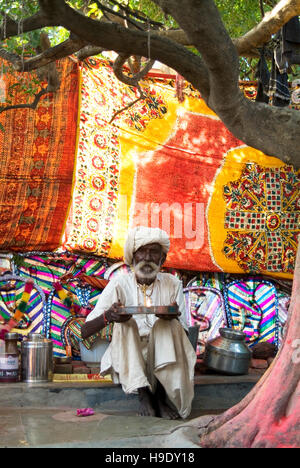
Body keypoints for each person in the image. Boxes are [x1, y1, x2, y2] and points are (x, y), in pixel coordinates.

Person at [81, 226, 196, 419]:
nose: (148, 258)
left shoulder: (172, 284)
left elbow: (183, 335)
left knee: (169, 325)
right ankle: (144, 395)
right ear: (132, 257)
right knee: (126, 323)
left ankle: (160, 398)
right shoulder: (118, 284)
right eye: (142, 251)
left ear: (162, 259)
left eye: (154, 252)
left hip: (163, 356)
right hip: (129, 356)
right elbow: (85, 331)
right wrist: (108, 316)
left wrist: (171, 316)